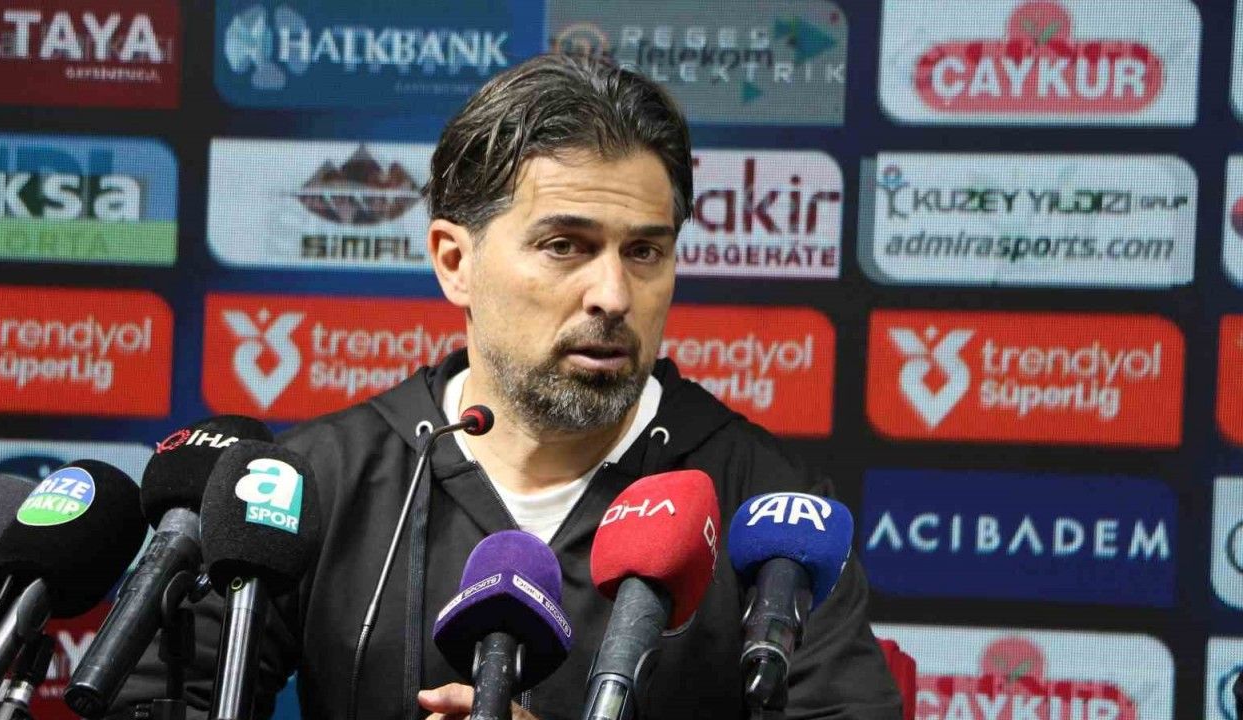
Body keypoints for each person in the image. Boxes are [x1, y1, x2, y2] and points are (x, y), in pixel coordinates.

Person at [111, 53, 902, 720]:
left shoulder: (768, 511)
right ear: (455, 262)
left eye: (644, 253)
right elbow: (152, 701)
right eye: (565, 246)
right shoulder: (312, 484)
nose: (613, 296)